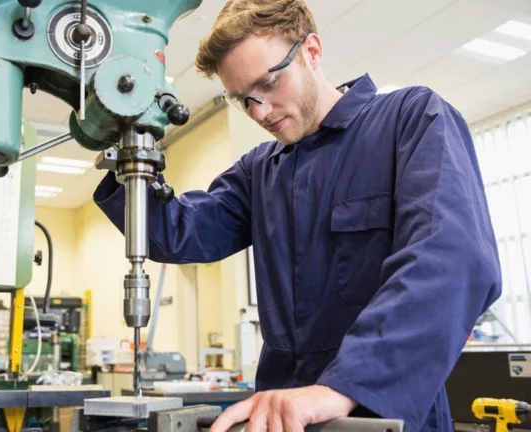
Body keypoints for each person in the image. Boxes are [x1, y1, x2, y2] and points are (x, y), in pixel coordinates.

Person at [92, 0, 502, 431]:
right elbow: (178, 233)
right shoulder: (260, 171)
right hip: (280, 416)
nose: (260, 112)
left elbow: (452, 259)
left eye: (268, 84)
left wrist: (343, 387)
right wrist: (122, 151)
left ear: (312, 51)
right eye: (243, 100)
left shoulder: (410, 119)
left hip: (385, 413)